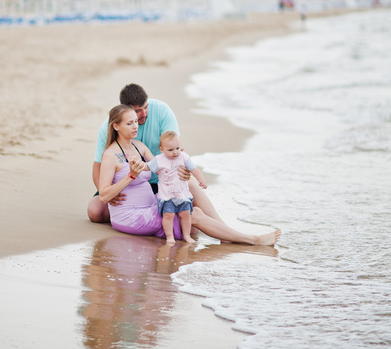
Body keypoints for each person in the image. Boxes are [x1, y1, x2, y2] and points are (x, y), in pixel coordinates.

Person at [98, 105, 280, 246]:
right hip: (130, 216)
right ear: (116, 126)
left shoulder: (139, 146)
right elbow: (104, 195)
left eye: (136, 121)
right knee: (194, 215)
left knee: (191, 211)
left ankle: (228, 235)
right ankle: (252, 239)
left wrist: (182, 168)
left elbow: (162, 166)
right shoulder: (110, 155)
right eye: (129, 123)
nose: (135, 126)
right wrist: (130, 176)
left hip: (151, 205)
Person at [88, 83, 222, 224]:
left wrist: (184, 171)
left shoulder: (162, 110)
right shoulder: (109, 128)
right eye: (138, 111)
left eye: (146, 107)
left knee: (188, 181)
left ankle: (219, 224)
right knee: (95, 211)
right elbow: (98, 165)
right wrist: (108, 194)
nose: (144, 113)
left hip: (160, 179)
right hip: (125, 186)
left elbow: (175, 149)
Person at [142, 131, 207, 244]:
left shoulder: (184, 157)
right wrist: (137, 165)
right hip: (167, 195)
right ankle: (169, 236)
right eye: (170, 150)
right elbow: (147, 167)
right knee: (168, 215)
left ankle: (186, 235)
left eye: (177, 148)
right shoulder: (159, 159)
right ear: (162, 149)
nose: (175, 152)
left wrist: (200, 180)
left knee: (186, 214)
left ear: (181, 146)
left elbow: (194, 169)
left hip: (182, 194)